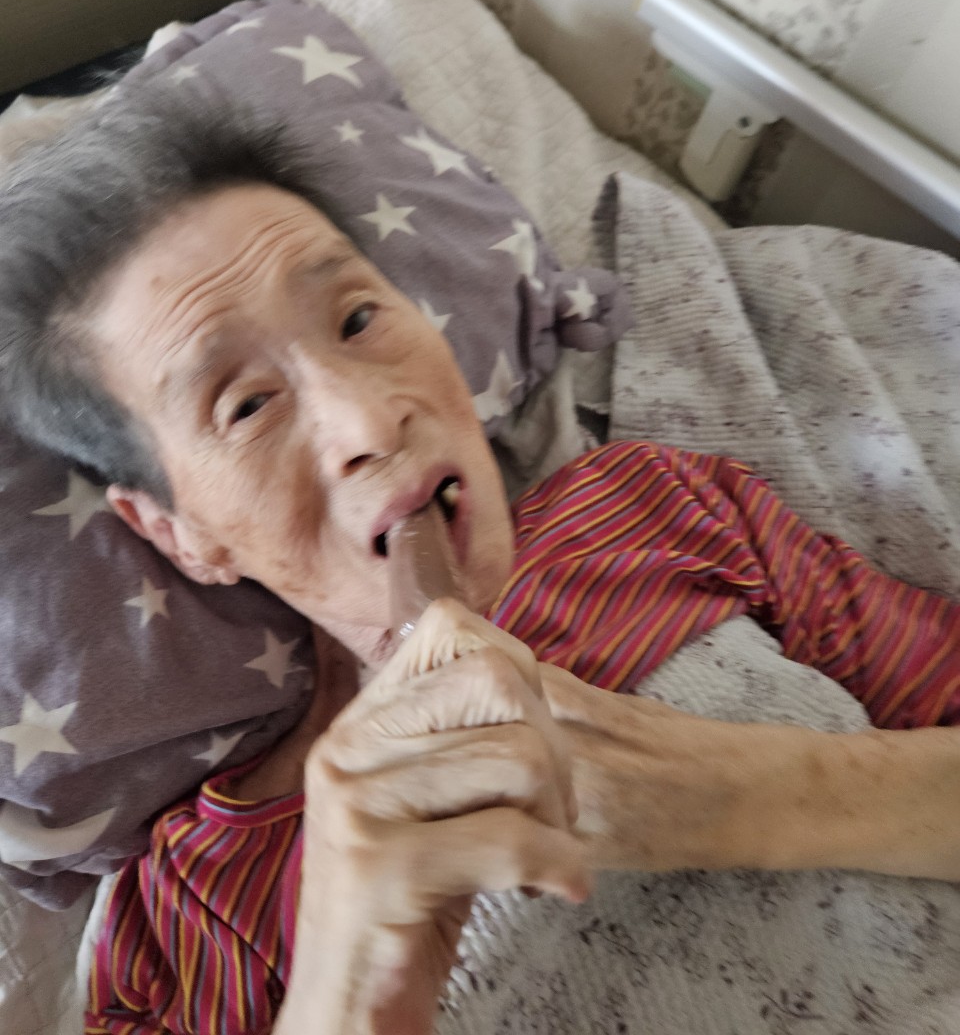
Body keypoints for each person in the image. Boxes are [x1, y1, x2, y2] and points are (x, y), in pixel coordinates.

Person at [0, 96, 957, 1035]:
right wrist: (345, 992)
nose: (370, 422)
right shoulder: (196, 898)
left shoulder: (651, 511)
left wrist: (760, 793)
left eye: (358, 319)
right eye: (246, 406)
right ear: (179, 534)